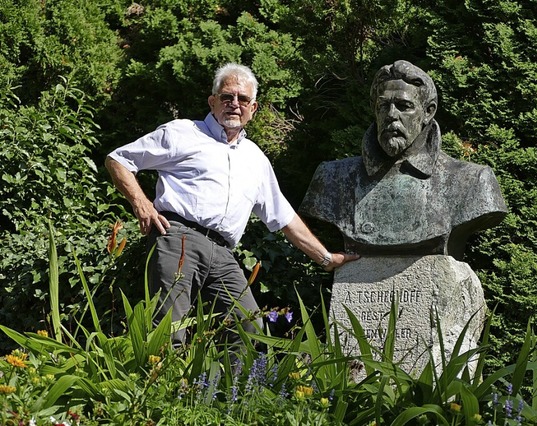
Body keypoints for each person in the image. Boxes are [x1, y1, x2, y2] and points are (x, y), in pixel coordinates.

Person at [106, 62, 358, 346]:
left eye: (243, 99)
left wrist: (325, 258)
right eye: (227, 97)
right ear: (212, 101)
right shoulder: (182, 133)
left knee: (249, 329)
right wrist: (142, 203)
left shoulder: (256, 159)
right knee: (169, 330)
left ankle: (227, 391)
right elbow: (119, 159)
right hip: (178, 238)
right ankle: (163, 388)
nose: (234, 104)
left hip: (224, 254)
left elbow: (284, 217)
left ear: (254, 109)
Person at [300, 60, 507, 260]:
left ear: (428, 112)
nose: (391, 115)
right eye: (383, 106)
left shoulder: (472, 181)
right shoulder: (333, 179)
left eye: (403, 106)